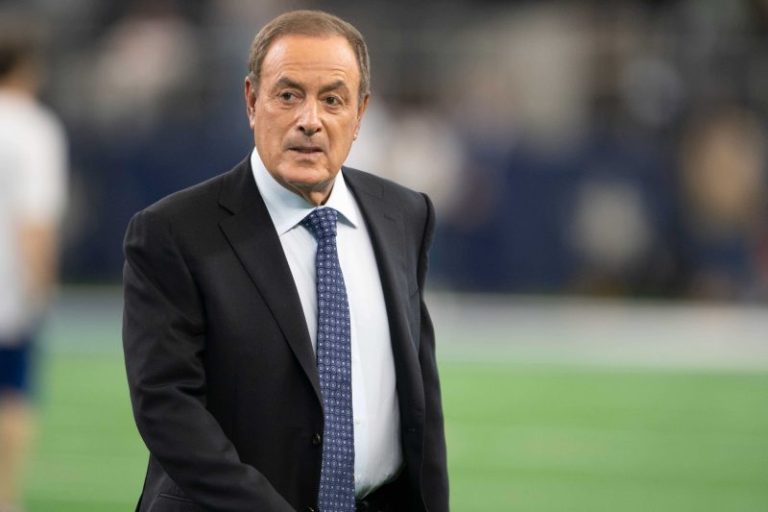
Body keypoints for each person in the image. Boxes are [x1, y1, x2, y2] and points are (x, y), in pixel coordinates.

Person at [122, 10, 448, 512]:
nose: (309, 120)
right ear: (252, 101)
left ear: (360, 113)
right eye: (289, 95)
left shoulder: (403, 214)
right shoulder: (173, 232)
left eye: (332, 100)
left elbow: (420, 398)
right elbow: (168, 410)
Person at [0, 17, 68, 512]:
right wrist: (43, 288)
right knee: (13, 396)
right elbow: (35, 221)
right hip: (8, 291)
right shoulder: (33, 129)